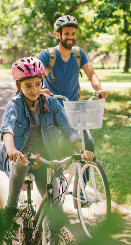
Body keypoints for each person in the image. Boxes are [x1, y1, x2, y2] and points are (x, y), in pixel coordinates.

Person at [0, 57, 94, 228]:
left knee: (56, 210)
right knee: (21, 163)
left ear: (42, 83)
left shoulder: (52, 104)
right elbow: (7, 129)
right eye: (28, 86)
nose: (34, 90)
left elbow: (68, 130)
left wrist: (81, 151)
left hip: (44, 159)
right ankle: (11, 206)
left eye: (37, 84)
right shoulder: (14, 105)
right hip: (20, 156)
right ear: (19, 86)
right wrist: (11, 149)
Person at [38, 15, 108, 154]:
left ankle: (85, 174)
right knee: (53, 150)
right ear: (58, 35)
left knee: (88, 145)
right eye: (66, 34)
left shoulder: (78, 54)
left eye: (73, 33)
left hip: (74, 108)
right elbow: (38, 78)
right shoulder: (47, 55)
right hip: (53, 109)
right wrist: (43, 89)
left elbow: (91, 74)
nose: (70, 37)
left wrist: (99, 89)